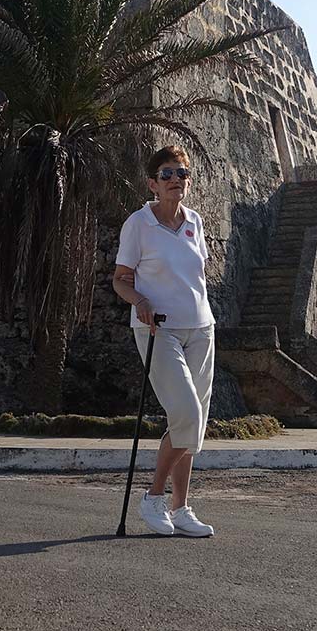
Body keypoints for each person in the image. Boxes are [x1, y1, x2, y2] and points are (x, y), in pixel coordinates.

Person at [111, 145, 216, 538]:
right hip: (158, 329)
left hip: (201, 328)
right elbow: (120, 278)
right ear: (153, 183)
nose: (176, 180)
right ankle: (153, 497)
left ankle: (181, 507)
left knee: (194, 422)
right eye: (168, 174)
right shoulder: (139, 223)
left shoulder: (195, 222)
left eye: (182, 173)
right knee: (186, 413)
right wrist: (139, 300)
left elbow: (198, 275)